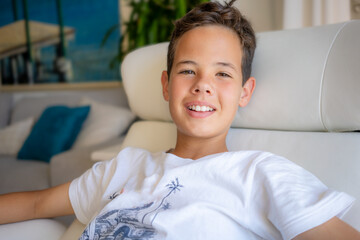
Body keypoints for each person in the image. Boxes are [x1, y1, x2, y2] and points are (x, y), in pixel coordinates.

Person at [0, 1, 359, 239]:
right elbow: (35, 205)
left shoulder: (260, 174)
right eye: (188, 70)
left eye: (222, 74)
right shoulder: (124, 167)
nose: (203, 85)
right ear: (167, 86)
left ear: (244, 92)